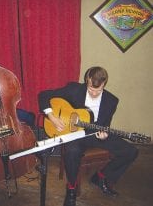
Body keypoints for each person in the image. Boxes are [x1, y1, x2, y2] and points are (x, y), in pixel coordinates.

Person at [38, 66, 138, 206]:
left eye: (99, 90)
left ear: (104, 84)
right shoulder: (74, 89)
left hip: (95, 134)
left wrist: (103, 135)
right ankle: (71, 190)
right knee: (72, 152)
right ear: (87, 81)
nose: (94, 93)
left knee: (131, 152)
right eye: (91, 89)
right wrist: (52, 117)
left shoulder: (111, 100)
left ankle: (101, 177)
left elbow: (105, 125)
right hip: (75, 135)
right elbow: (43, 95)